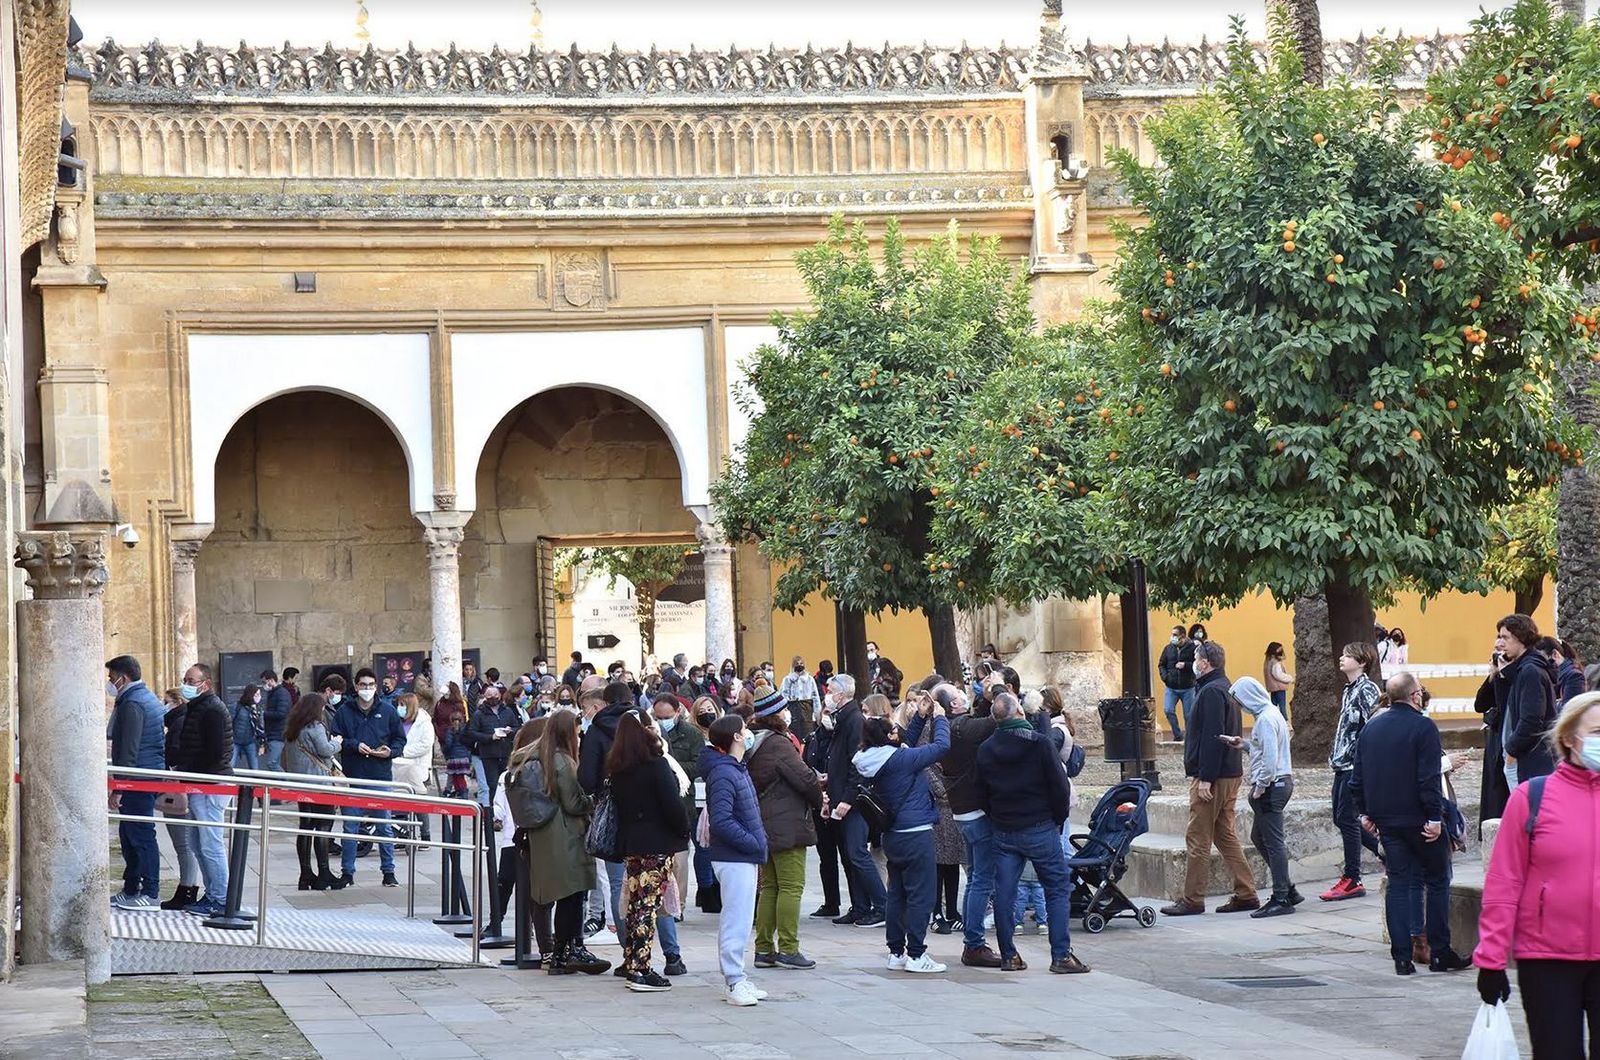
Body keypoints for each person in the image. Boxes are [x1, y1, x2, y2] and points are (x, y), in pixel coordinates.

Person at [1476, 691, 1600, 1056]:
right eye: (1597, 732)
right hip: (1547, 960)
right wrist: (1491, 959)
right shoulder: (1532, 797)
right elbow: (1504, 883)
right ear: (1569, 737)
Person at [1349, 671, 1469, 976]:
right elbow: (1428, 778)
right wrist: (1434, 817)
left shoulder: (1371, 729)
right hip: (1420, 820)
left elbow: (1357, 777)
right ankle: (1440, 952)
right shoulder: (1423, 726)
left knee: (1399, 884)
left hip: (1387, 821)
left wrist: (1364, 813)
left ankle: (1402, 958)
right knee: (1437, 881)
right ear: (1415, 695)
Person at [975, 692, 1088, 974]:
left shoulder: (986, 748)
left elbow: (981, 792)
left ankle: (1008, 955)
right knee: (1057, 888)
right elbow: (1059, 787)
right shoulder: (1039, 743)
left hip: (1004, 828)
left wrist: (997, 816)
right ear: (1020, 713)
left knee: (1004, 893)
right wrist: (1058, 819)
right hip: (1039, 825)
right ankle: (1061, 955)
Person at [848, 696, 951, 974]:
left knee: (897, 893)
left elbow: (907, 744)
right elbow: (941, 746)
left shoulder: (874, 758)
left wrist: (920, 716)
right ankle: (916, 954)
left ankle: (896, 952)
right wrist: (940, 718)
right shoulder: (901, 760)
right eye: (894, 730)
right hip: (916, 834)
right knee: (921, 895)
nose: (898, 732)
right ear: (888, 737)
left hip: (893, 835)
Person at [1162, 640, 1256, 916]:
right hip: (1229, 772)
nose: (1194, 663)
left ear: (1204, 663)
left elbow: (1213, 737)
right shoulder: (1223, 687)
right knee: (1224, 835)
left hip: (1215, 776)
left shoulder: (1212, 691)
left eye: (1196, 658)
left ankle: (1192, 899)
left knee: (1198, 836)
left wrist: (1206, 778)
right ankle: (1246, 892)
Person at [607, 711, 691, 992]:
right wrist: (682, 831)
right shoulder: (656, 765)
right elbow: (673, 805)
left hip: (632, 844)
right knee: (648, 906)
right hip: (656, 844)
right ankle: (641, 969)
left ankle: (632, 960)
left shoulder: (619, 770)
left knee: (635, 904)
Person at [527, 710, 610, 976]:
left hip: (548, 837)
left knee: (565, 895)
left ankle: (563, 953)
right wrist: (594, 800)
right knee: (572, 896)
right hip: (566, 837)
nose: (579, 735)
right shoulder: (563, 761)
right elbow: (573, 803)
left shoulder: (541, 756)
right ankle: (565, 954)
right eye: (576, 731)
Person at [699, 715, 772, 1006]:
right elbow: (722, 820)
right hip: (734, 856)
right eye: (744, 729)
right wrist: (753, 842)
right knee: (736, 919)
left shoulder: (735, 768)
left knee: (741, 920)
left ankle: (739, 976)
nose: (749, 733)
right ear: (736, 738)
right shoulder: (724, 773)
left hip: (743, 855)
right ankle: (733, 980)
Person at [747, 694, 823, 971]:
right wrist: (819, 798)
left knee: (770, 887)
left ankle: (764, 948)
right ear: (776, 714)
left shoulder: (755, 740)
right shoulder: (778, 743)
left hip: (764, 821)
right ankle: (789, 948)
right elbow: (804, 778)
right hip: (786, 822)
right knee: (791, 886)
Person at [936, 681, 1003, 968]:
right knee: (981, 880)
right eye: (958, 694)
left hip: (963, 811)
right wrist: (997, 690)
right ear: (953, 704)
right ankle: (974, 943)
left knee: (976, 878)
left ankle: (972, 941)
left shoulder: (949, 727)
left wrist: (985, 697)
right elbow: (993, 720)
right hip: (975, 811)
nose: (964, 695)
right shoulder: (960, 728)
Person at [1225, 676, 1299, 917]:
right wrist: (1245, 744)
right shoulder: (1271, 714)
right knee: (1259, 836)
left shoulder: (1265, 719)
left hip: (1272, 786)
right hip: (1278, 783)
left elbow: (1269, 758)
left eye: (1240, 701)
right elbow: (1264, 748)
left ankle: (1281, 897)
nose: (1241, 707)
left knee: (1274, 843)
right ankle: (1287, 888)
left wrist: (1260, 786)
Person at [329, 670, 407, 887]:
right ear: (356, 686)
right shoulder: (344, 711)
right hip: (353, 776)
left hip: (380, 776)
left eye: (371, 684)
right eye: (363, 685)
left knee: (384, 826)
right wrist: (355, 745)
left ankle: (388, 871)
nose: (367, 689)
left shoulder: (388, 711)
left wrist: (390, 751)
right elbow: (336, 738)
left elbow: (400, 740)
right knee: (350, 828)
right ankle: (347, 872)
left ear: (376, 686)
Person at [1322, 641, 1384, 901]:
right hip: (1342, 764)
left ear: (1362, 662)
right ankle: (1385, 853)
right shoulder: (1350, 690)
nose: (1342, 658)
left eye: (1348, 655)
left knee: (1348, 819)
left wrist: (1364, 761)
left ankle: (1353, 878)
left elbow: (1375, 726)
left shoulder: (1367, 689)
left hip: (1355, 766)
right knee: (1340, 818)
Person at [824, 674, 886, 928]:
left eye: (830, 691)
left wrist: (847, 798)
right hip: (842, 796)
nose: (827, 695)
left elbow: (857, 764)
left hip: (853, 801)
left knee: (857, 854)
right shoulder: (843, 718)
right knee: (850, 856)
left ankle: (882, 906)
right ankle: (860, 906)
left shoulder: (853, 720)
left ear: (841, 694)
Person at [579, 681, 640, 937]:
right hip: (645, 810)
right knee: (648, 879)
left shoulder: (596, 731)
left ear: (603, 703)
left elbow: (586, 777)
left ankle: (626, 943)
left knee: (616, 882)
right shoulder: (644, 724)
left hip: (611, 808)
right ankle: (667, 948)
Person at [106, 655, 166, 911]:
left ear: (124, 677)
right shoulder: (142, 697)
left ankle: (150, 892)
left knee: (140, 835)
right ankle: (131, 888)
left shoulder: (133, 703)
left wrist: (119, 787)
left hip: (138, 778)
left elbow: (129, 750)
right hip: (144, 774)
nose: (110, 683)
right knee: (129, 834)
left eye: (112, 678)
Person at [172, 663, 232, 916]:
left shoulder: (212, 709)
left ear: (205, 684)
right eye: (185, 679)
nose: (185, 684)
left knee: (210, 844)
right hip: (200, 783)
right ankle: (212, 893)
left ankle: (222, 898)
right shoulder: (197, 707)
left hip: (211, 784)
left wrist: (188, 768)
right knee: (198, 843)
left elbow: (215, 752)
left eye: (191, 681)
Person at [282, 692, 343, 889]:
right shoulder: (315, 727)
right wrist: (337, 743)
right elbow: (325, 750)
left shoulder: (293, 728)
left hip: (302, 785)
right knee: (324, 826)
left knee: (306, 826)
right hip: (319, 784)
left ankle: (306, 874)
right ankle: (324, 873)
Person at [653, 691, 704, 924]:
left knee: (680, 858)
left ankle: (678, 906)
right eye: (658, 716)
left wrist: (671, 766)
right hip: (658, 803)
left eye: (666, 716)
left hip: (683, 801)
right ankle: (660, 902)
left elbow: (698, 764)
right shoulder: (651, 732)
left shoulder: (691, 734)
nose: (662, 720)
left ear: (677, 712)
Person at [1498, 614, 1559, 792]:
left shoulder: (1530, 671)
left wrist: (1511, 750)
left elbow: (1532, 719)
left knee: (1531, 805)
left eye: (1506, 638)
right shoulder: (1524, 669)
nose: (1500, 643)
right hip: (1531, 756)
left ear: (1521, 638)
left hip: (1534, 758)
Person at [157, 688, 203, 910]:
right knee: (186, 844)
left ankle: (187, 889)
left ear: (176, 702)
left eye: (166, 701)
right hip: (183, 786)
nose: (163, 705)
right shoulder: (183, 720)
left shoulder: (179, 723)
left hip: (178, 789)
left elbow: (175, 754)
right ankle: (188, 888)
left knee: (184, 844)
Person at [803, 691, 843, 920]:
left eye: (832, 713)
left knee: (847, 855)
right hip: (819, 801)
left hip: (839, 802)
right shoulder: (812, 739)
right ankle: (831, 901)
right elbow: (805, 765)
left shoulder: (842, 737)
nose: (829, 717)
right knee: (826, 856)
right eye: (826, 712)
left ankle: (858, 903)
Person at [393, 691, 435, 845]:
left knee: (419, 804)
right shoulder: (399, 722)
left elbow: (425, 744)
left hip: (417, 766)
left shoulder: (424, 723)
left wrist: (403, 751)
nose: (399, 708)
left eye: (402, 705)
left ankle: (425, 835)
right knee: (401, 801)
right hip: (400, 767)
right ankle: (403, 834)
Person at [466, 681, 519, 804]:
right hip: (488, 755)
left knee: (506, 785)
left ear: (499, 696)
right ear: (485, 697)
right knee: (493, 786)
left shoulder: (507, 711)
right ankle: (493, 811)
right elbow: (472, 733)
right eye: (489, 696)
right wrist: (490, 737)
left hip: (506, 753)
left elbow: (517, 727)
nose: (493, 699)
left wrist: (510, 731)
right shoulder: (479, 714)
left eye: (495, 696)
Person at [1158, 625, 1194, 741]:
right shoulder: (1168, 648)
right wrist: (1165, 677)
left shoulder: (1193, 649)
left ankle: (1189, 738)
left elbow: (1197, 665)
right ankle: (1178, 735)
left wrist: (1186, 665)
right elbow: (1161, 664)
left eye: (1174, 635)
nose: (1172, 637)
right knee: (1168, 710)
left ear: (1182, 637)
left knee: (1189, 715)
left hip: (1188, 688)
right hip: (1171, 687)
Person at [779, 655, 822, 741]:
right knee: (794, 734)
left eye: (801, 663)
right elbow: (783, 695)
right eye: (797, 664)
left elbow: (815, 696)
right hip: (793, 709)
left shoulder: (809, 679)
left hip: (807, 708)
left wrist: (817, 714)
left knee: (807, 734)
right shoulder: (787, 680)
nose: (799, 665)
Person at [260, 669, 290, 771]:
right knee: (274, 763)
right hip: (274, 732)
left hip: (278, 733)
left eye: (264, 682)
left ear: (272, 680)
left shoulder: (281, 693)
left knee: (271, 763)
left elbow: (281, 713)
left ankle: (286, 780)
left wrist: (264, 714)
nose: (264, 685)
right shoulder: (274, 693)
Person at [231, 683, 264, 770]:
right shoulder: (238, 706)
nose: (259, 697)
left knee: (254, 768)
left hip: (250, 741)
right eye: (256, 695)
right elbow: (229, 721)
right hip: (235, 740)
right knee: (231, 764)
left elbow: (261, 727)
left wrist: (262, 744)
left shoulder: (258, 709)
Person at [1262, 642, 1294, 716]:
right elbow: (1278, 675)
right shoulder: (1276, 662)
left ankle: (1274, 719)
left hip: (1272, 688)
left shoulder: (1268, 661)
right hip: (1279, 688)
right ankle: (1285, 720)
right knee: (1282, 706)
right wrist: (1290, 679)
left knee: (1273, 706)